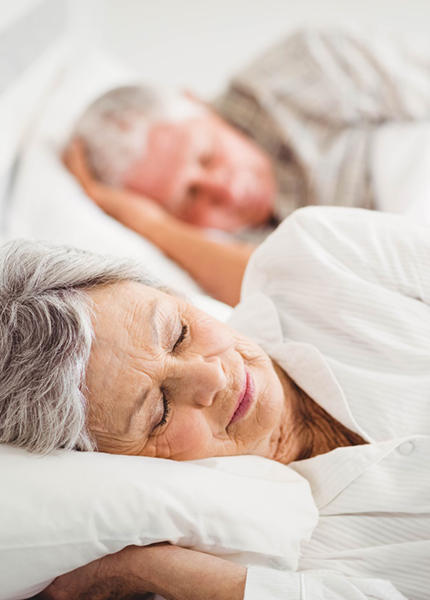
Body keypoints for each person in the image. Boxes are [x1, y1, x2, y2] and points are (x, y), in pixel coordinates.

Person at [1, 206, 429, 600]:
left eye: (179, 334)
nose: (213, 377)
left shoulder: (319, 255)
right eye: (160, 412)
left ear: (172, 293)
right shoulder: (256, 566)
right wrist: (155, 572)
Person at [67, 27, 430, 306]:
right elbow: (292, 289)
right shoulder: (208, 247)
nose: (228, 191)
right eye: (190, 197)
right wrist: (151, 225)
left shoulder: (313, 64)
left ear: (198, 103)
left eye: (207, 156)